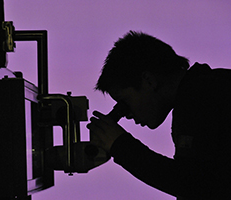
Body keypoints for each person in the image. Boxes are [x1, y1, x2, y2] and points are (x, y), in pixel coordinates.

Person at [86, 31, 231, 200]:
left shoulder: (203, 96)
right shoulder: (206, 89)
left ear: (149, 80)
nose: (127, 115)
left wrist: (120, 145)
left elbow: (194, 183)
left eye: (125, 101)